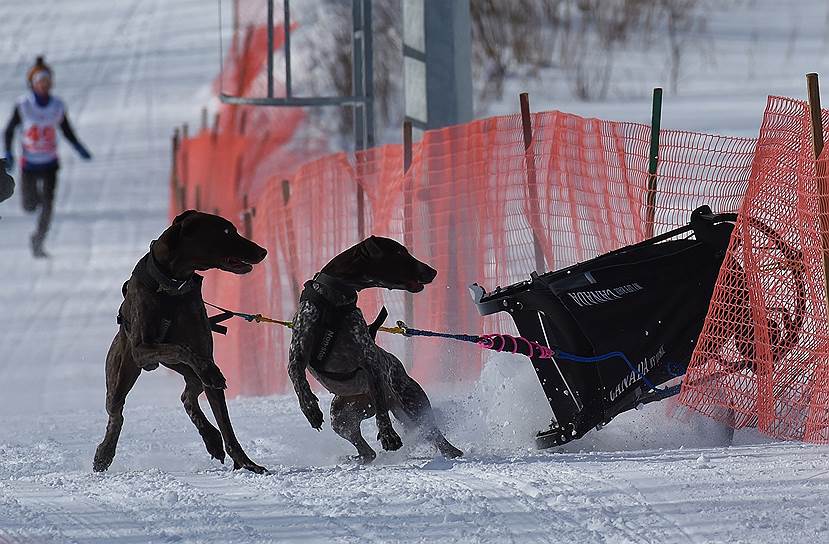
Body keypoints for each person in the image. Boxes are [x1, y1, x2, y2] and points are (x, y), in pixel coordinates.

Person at [4, 56, 92, 257]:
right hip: (29, 164)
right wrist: (8, 152)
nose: (44, 86)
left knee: (48, 205)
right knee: (29, 205)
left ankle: (38, 240)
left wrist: (79, 147)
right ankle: (37, 205)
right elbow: (9, 130)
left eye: (47, 82)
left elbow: (66, 129)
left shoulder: (57, 106)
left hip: (50, 163)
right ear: (33, 84)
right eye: (40, 82)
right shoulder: (23, 105)